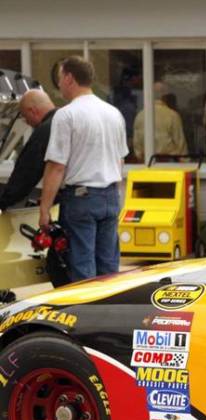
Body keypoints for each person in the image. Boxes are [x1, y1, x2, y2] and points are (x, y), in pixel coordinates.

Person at [38, 56, 127, 282]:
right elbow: (119, 161)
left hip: (81, 199)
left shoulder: (66, 115)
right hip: (110, 196)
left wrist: (44, 209)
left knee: (82, 266)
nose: (58, 84)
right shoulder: (113, 113)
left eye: (59, 78)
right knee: (109, 266)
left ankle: (85, 315)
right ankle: (111, 312)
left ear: (69, 78)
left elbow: (57, 166)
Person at [0, 89, 56, 211]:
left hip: (73, 204)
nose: (27, 122)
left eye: (25, 117)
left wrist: (4, 201)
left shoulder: (45, 130)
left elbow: (27, 173)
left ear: (33, 111)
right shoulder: (67, 120)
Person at [133, 81, 188, 162]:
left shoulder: (140, 116)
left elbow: (137, 145)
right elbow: (180, 144)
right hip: (169, 164)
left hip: (146, 163)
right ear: (165, 96)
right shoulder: (172, 115)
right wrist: (185, 163)